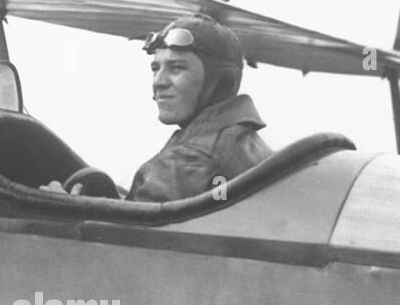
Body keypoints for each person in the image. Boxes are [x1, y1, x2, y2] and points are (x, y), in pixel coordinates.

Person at [41, 13, 272, 200]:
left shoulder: (187, 161)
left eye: (177, 68)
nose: (158, 82)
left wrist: (64, 210)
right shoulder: (242, 138)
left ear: (222, 82)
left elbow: (129, 244)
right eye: (155, 68)